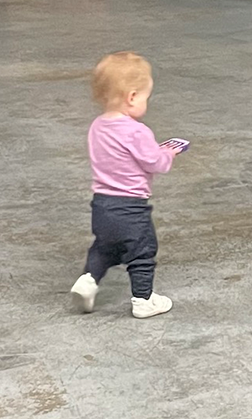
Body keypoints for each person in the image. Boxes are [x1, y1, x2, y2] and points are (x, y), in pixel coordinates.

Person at [71, 52, 182, 317]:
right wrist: (168, 152)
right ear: (132, 97)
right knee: (142, 251)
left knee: (104, 247)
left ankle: (88, 280)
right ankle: (143, 300)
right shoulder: (137, 131)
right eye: (145, 97)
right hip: (131, 208)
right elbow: (156, 163)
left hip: (101, 205)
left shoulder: (97, 127)